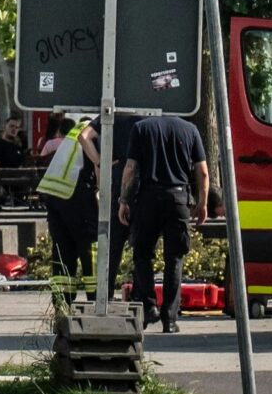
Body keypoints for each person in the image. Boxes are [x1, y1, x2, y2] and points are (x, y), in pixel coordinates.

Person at [116, 111, 210, 333]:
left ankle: (149, 307)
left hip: (148, 198)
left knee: (142, 254)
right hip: (178, 199)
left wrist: (123, 200)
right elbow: (203, 172)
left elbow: (130, 169)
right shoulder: (191, 130)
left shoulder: (142, 128)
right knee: (174, 258)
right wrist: (202, 203)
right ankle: (170, 318)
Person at [33, 114, 100, 280]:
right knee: (90, 243)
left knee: (63, 248)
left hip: (53, 191)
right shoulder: (99, 130)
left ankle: (62, 301)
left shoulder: (79, 127)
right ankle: (95, 297)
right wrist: (101, 191)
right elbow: (100, 164)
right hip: (74, 191)